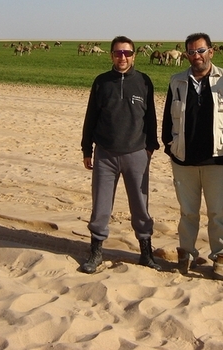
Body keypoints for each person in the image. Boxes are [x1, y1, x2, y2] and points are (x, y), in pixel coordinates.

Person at [162, 32, 223, 280]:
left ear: (211, 51)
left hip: (217, 159)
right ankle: (186, 255)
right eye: (191, 52)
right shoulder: (177, 80)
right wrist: (170, 146)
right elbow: (168, 117)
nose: (196, 56)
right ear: (186, 54)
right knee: (188, 212)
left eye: (201, 51)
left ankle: (220, 258)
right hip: (184, 159)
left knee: (217, 213)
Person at [80, 36, 161, 273]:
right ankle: (95, 253)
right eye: (118, 53)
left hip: (137, 153)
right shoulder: (102, 82)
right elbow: (90, 117)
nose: (122, 57)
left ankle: (146, 253)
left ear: (134, 55)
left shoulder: (144, 82)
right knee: (101, 206)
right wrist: (87, 148)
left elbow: (151, 117)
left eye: (127, 53)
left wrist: (150, 147)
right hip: (105, 154)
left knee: (140, 206)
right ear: (111, 55)